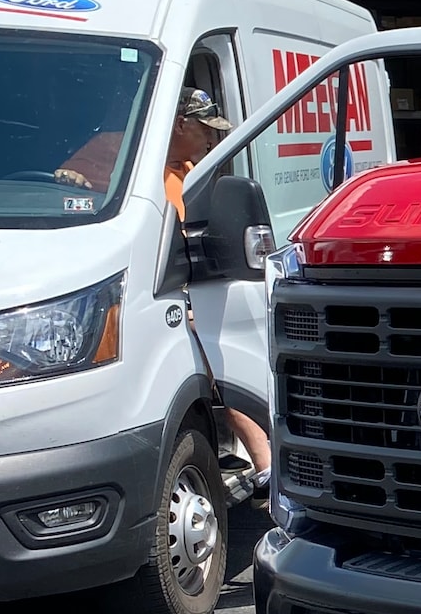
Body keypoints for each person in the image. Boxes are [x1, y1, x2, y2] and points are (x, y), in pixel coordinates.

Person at [58, 88, 274, 489]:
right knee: (218, 354)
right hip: (150, 295)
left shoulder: (189, 169)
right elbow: (77, 194)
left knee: (229, 350)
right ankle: (264, 462)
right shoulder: (123, 161)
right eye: (205, 129)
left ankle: (267, 461)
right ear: (179, 124)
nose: (212, 139)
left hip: (187, 289)